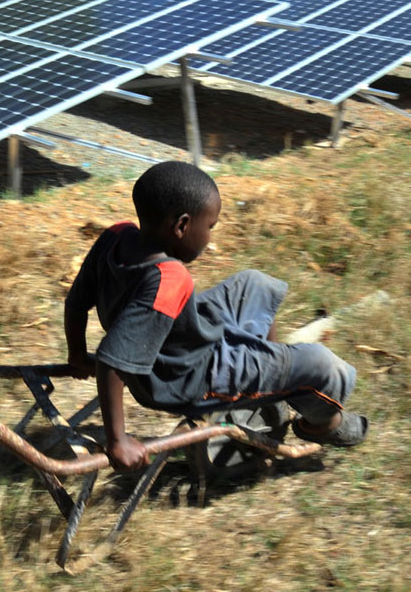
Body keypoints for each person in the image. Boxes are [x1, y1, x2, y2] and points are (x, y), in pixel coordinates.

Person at [64, 160, 367, 471]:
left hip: (177, 345)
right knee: (324, 366)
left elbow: (75, 303)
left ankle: (270, 390)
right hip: (189, 377)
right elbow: (113, 360)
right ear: (182, 226)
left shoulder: (116, 236)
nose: (209, 239)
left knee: (255, 285)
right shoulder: (169, 279)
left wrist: (76, 355)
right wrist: (117, 440)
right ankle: (322, 423)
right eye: (209, 227)